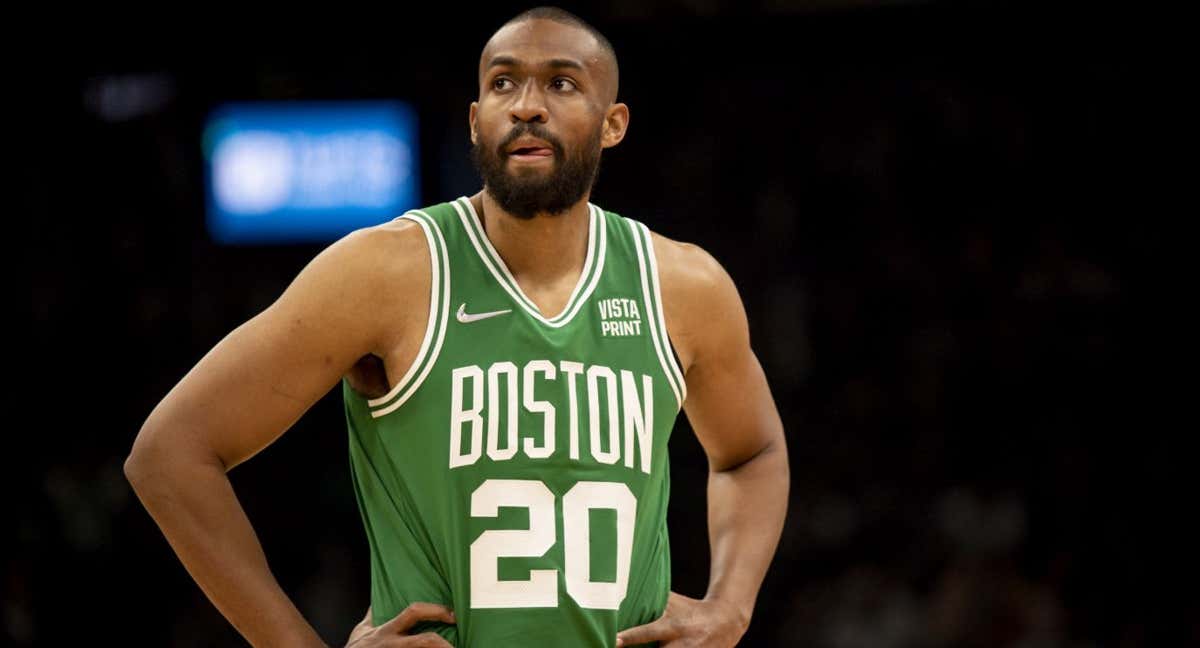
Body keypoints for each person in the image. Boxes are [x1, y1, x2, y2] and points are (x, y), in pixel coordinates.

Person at [124, 6, 789, 647]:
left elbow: (752, 453)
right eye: (503, 83)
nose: (526, 104)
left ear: (612, 123)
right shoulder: (385, 271)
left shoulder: (682, 285)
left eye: (561, 83)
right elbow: (170, 454)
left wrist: (730, 607)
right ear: (476, 121)